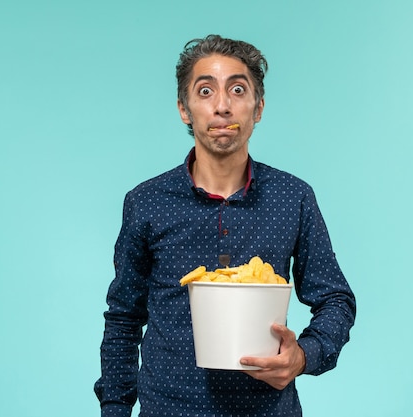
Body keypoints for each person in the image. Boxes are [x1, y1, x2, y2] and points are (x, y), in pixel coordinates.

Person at [94, 34, 356, 417]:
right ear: (185, 109)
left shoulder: (293, 197)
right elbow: (123, 319)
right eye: (205, 91)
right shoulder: (146, 202)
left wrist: (303, 356)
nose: (222, 106)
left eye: (237, 89)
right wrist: (114, 410)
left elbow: (335, 298)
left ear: (258, 107)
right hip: (169, 408)